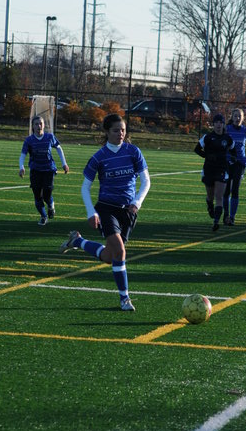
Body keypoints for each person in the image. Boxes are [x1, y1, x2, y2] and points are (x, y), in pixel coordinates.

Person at [59, 113, 150, 312]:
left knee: (110, 256)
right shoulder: (99, 157)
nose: (120, 134)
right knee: (120, 251)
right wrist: (91, 212)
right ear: (107, 132)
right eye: (116, 130)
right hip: (106, 209)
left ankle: (77, 241)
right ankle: (124, 298)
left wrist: (137, 202)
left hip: (128, 211)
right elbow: (85, 188)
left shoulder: (133, 152)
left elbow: (146, 181)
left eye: (123, 130)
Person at [18, 115, 69, 225]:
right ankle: (43, 216)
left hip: (48, 169)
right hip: (35, 170)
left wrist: (64, 163)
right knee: (37, 196)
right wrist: (21, 167)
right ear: (33, 126)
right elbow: (23, 154)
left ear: (44, 125)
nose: (39, 126)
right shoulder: (29, 140)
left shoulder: (49, 137)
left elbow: (59, 148)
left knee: (47, 195)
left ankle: (51, 206)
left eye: (40, 123)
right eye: (36, 124)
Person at [194, 113, 235, 231]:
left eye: (221, 122)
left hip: (221, 169)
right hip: (209, 169)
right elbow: (197, 149)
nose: (218, 125)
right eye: (216, 122)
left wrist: (232, 159)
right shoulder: (207, 137)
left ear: (223, 124)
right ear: (213, 124)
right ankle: (209, 205)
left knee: (219, 196)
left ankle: (216, 222)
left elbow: (233, 151)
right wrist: (206, 156)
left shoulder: (227, 138)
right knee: (210, 196)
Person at [223, 107, 246, 225]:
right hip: (227, 162)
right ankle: (226, 215)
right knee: (226, 190)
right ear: (232, 117)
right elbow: (222, 144)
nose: (237, 118)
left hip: (240, 163)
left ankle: (232, 217)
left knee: (235, 189)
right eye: (235, 116)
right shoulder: (227, 129)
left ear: (243, 118)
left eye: (239, 116)